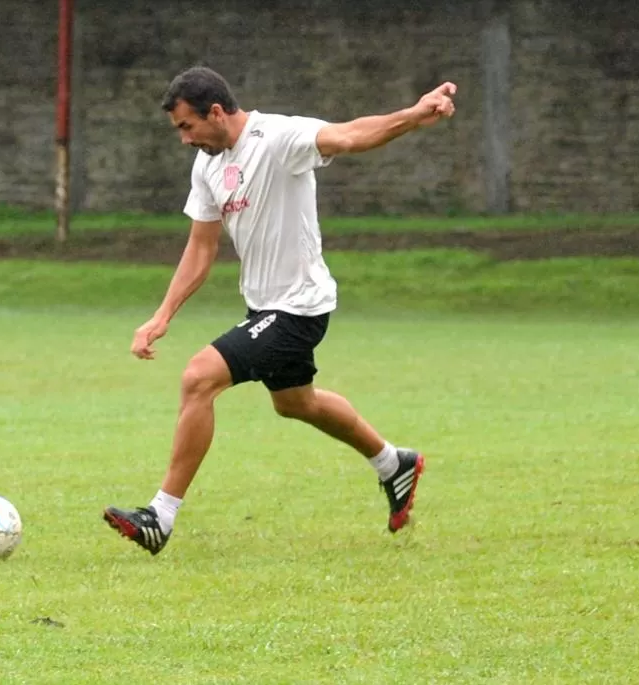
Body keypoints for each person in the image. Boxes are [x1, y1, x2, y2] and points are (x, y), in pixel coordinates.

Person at [103, 66, 457, 555]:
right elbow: (201, 249)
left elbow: (351, 136)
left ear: (217, 112)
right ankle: (393, 463)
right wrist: (162, 316)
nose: (183, 140)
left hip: (299, 306)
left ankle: (160, 516)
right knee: (295, 402)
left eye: (187, 127)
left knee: (198, 377)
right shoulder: (207, 165)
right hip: (264, 306)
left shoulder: (278, 138)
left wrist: (414, 116)